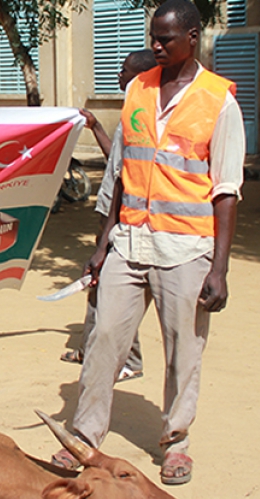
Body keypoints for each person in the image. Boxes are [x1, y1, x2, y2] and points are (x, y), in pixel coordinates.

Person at [62, 0, 244, 485]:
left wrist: (219, 269)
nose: (156, 46)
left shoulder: (218, 101)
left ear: (194, 36)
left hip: (186, 249)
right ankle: (84, 436)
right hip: (129, 241)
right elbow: (121, 173)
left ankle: (176, 442)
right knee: (103, 339)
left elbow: (226, 192)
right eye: (152, 38)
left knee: (183, 350)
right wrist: (102, 246)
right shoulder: (138, 90)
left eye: (166, 39)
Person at [59, 50, 157, 389]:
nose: (119, 75)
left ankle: (129, 360)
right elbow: (113, 158)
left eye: (125, 71)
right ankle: (89, 347)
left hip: (124, 214)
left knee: (113, 283)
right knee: (96, 279)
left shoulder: (145, 112)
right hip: (108, 209)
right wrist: (96, 125)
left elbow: (130, 173)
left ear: (142, 75)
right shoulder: (130, 110)